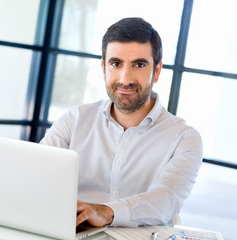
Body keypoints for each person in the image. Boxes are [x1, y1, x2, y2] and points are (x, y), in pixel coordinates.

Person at [40, 17, 203, 228]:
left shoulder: (185, 139)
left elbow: (166, 200)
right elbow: (40, 175)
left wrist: (107, 212)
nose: (125, 79)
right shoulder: (74, 120)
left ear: (157, 71)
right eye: (116, 64)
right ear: (104, 67)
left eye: (139, 64)